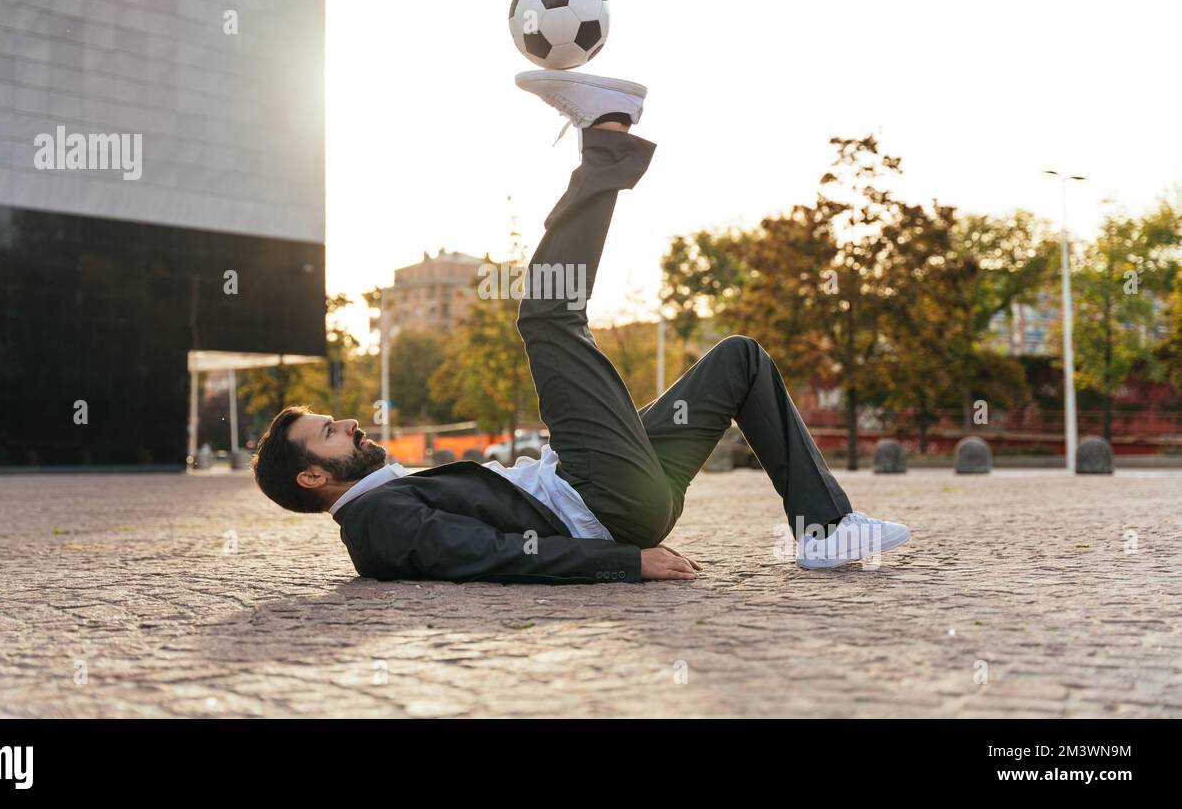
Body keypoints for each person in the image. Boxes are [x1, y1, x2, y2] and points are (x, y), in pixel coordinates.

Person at [250, 70, 910, 583]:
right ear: (313, 477)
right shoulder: (373, 524)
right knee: (547, 310)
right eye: (329, 433)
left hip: (612, 487)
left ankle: (827, 526)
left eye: (332, 420)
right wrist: (624, 562)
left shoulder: (383, 497)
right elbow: (491, 554)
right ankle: (606, 136)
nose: (349, 423)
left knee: (740, 361)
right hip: (603, 495)